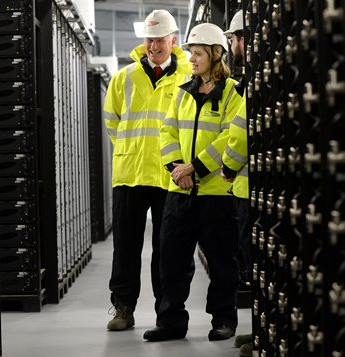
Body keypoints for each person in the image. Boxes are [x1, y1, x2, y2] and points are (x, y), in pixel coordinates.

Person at [143, 22, 242, 342]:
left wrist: (195, 168)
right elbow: (166, 131)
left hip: (216, 192)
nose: (192, 59)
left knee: (221, 261)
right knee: (171, 259)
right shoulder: (183, 92)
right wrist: (176, 168)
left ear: (216, 55)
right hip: (179, 191)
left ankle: (223, 320)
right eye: (190, 53)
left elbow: (231, 136)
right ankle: (171, 321)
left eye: (197, 54)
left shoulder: (232, 92)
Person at [102, 9, 192, 331]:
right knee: (125, 246)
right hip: (130, 172)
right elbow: (112, 121)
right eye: (149, 39)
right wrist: (129, 148)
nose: (154, 46)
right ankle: (123, 308)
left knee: (166, 248)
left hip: (169, 174)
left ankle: (164, 311)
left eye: (160, 40)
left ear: (173, 40)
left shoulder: (186, 79)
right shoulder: (123, 78)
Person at [223, 10, 252, 357]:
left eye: (232, 39)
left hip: (247, 189)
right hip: (251, 189)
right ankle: (258, 327)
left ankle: (259, 331)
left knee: (254, 263)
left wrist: (228, 167)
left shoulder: (253, 77)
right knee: (253, 264)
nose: (232, 45)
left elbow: (241, 131)